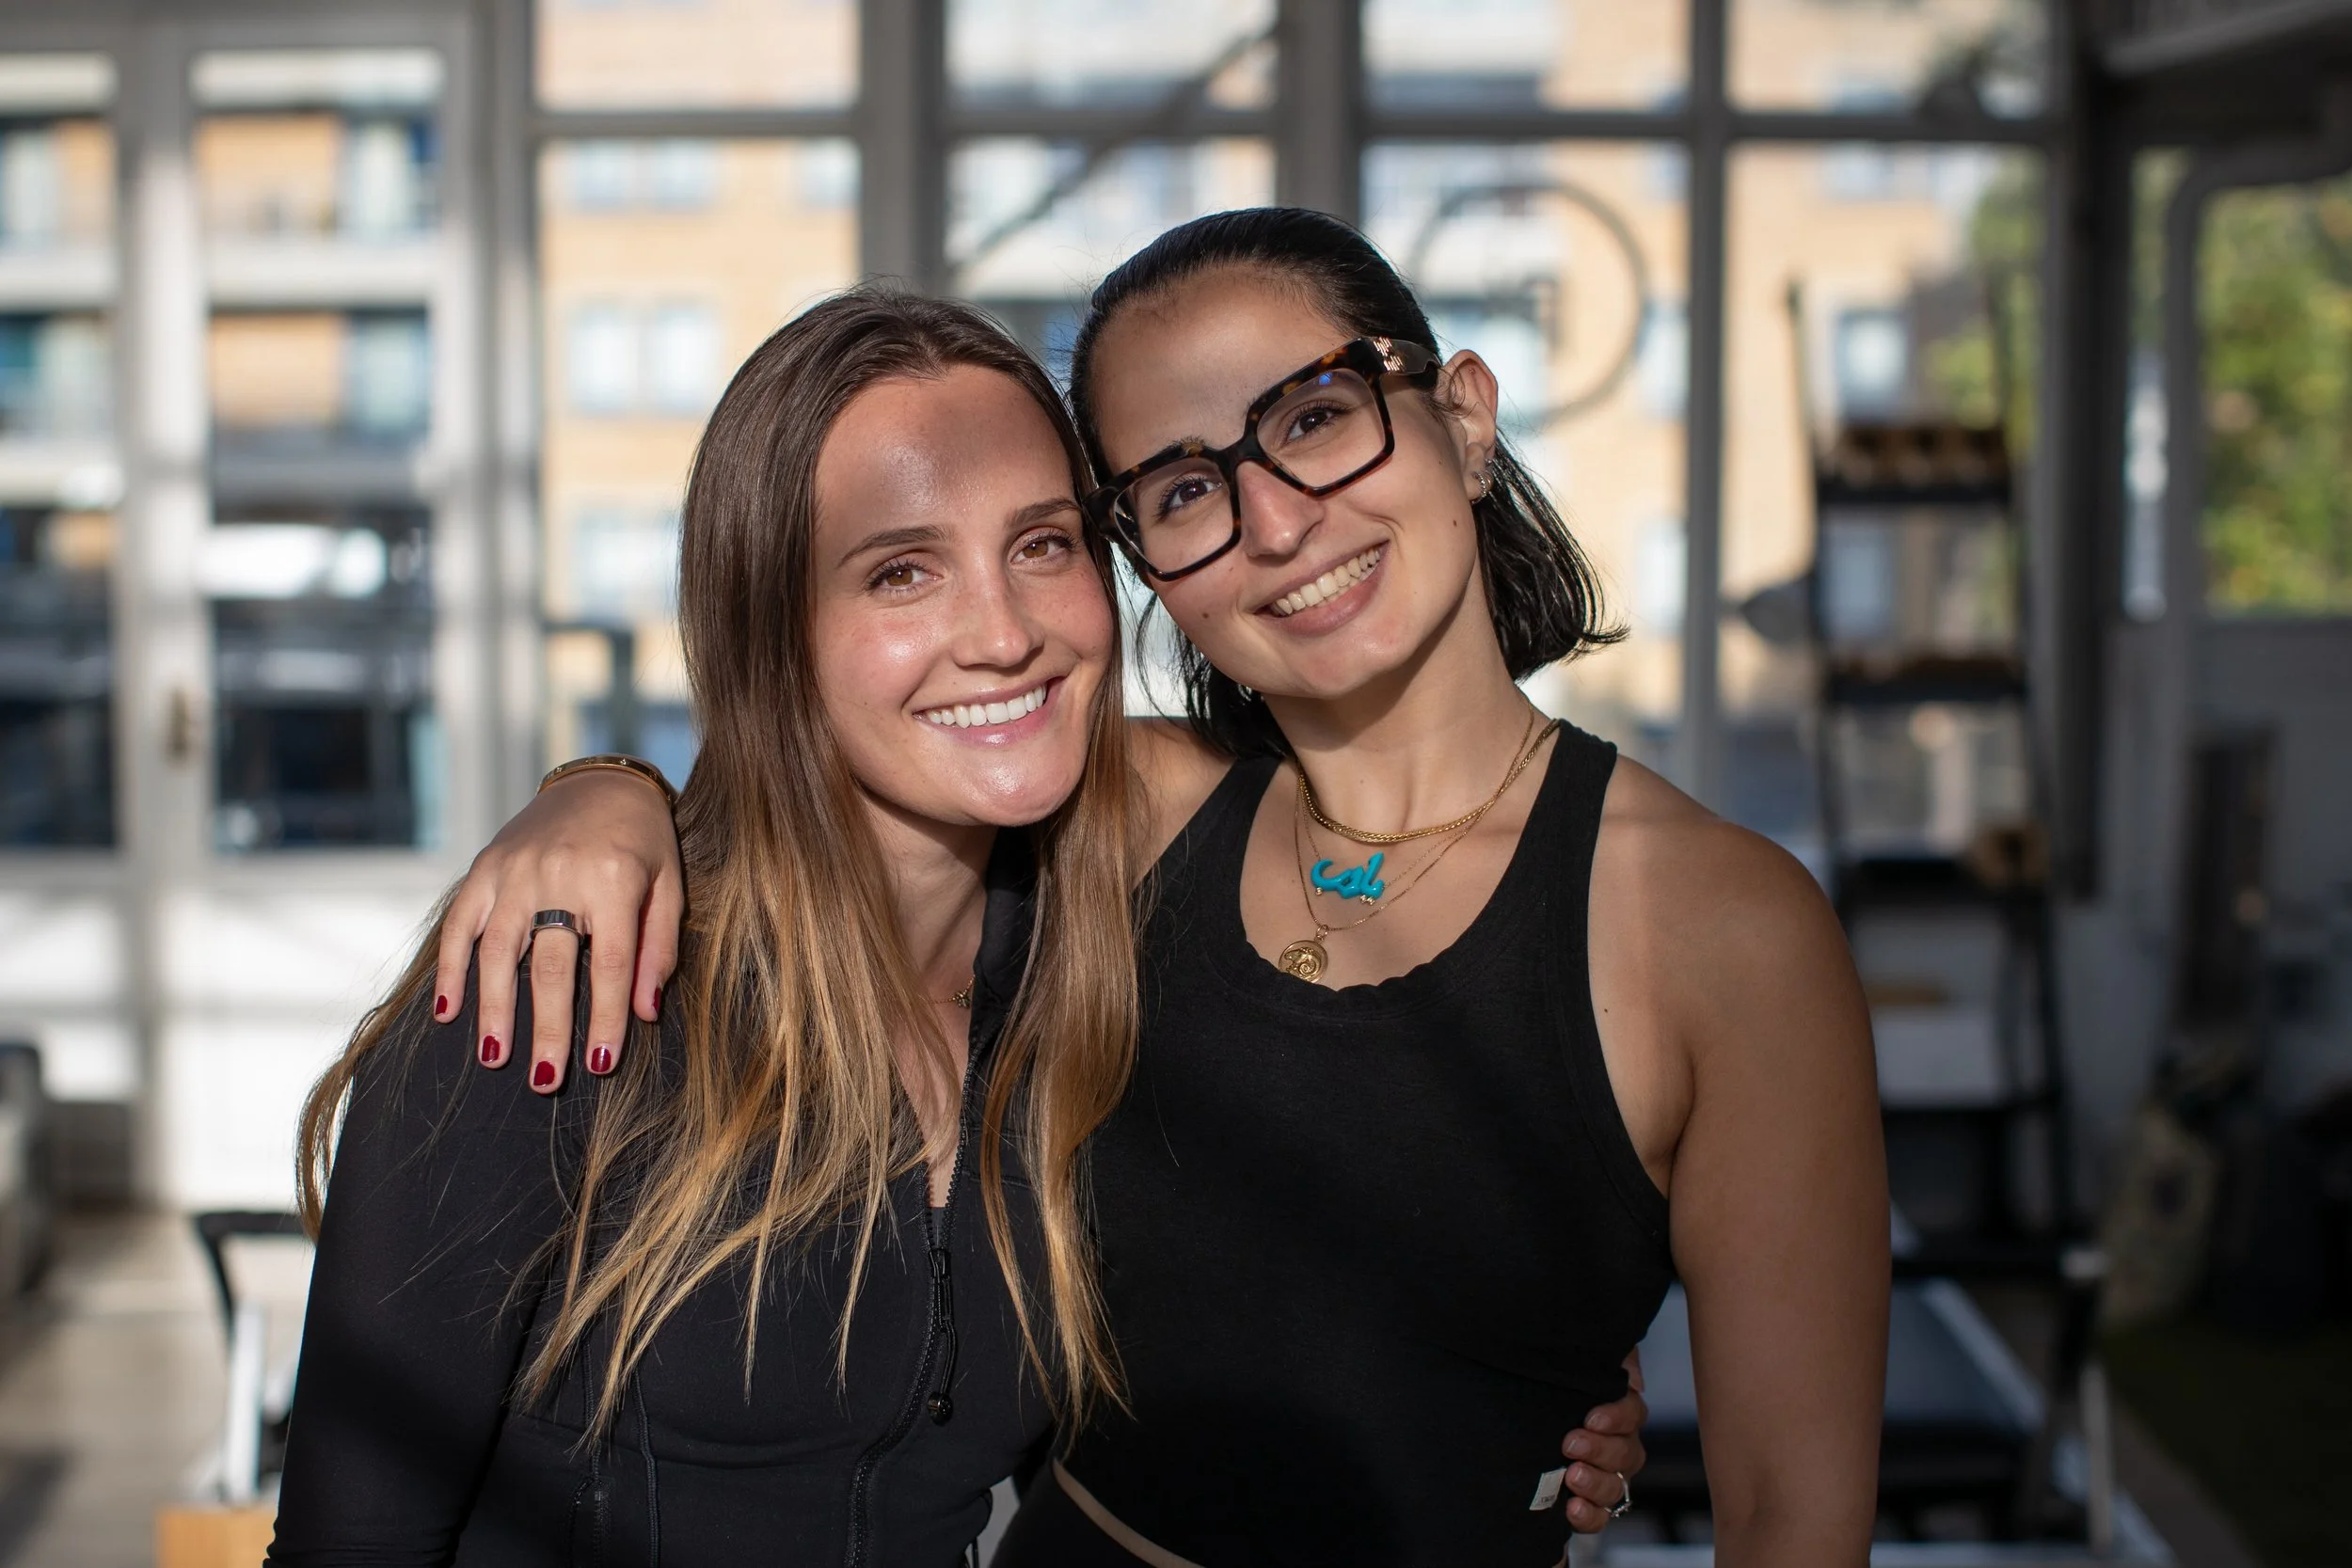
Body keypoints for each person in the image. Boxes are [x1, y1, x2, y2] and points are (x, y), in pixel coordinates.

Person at [439, 210, 1882, 1564]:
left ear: (1466, 416)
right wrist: (608, 791)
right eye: (1187, 486)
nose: (1275, 522)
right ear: (1147, 561)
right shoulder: (1110, 809)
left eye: (1315, 415)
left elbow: (1789, 1520)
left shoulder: (1722, 927)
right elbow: (813, 782)